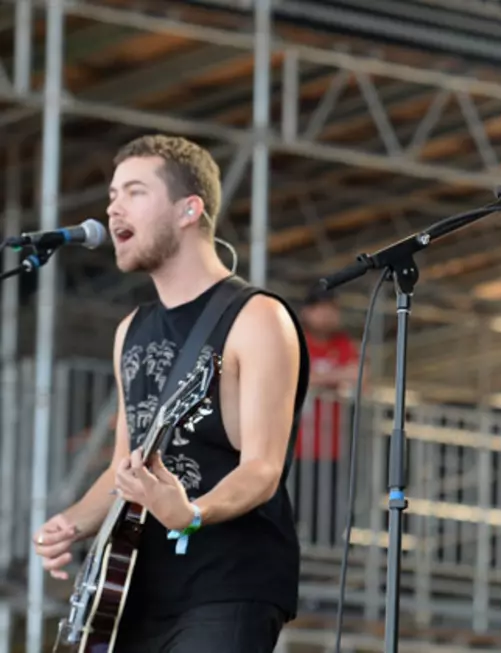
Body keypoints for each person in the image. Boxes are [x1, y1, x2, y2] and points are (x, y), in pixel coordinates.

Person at [31, 134, 310, 652]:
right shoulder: (130, 330)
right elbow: (124, 468)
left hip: (228, 581)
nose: (113, 207)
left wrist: (193, 512)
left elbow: (263, 468)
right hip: (136, 587)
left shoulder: (257, 318)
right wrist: (71, 523)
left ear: (189, 210)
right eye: (112, 194)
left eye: (134, 192)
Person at [293, 285, 360, 545]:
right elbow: (298, 376)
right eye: (321, 309)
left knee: (331, 515)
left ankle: (327, 567)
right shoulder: (297, 340)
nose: (328, 315)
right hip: (296, 448)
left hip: (332, 450)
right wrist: (335, 378)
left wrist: (319, 380)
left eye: (333, 309)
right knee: (293, 509)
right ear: (307, 311)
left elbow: (360, 377)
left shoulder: (343, 344)